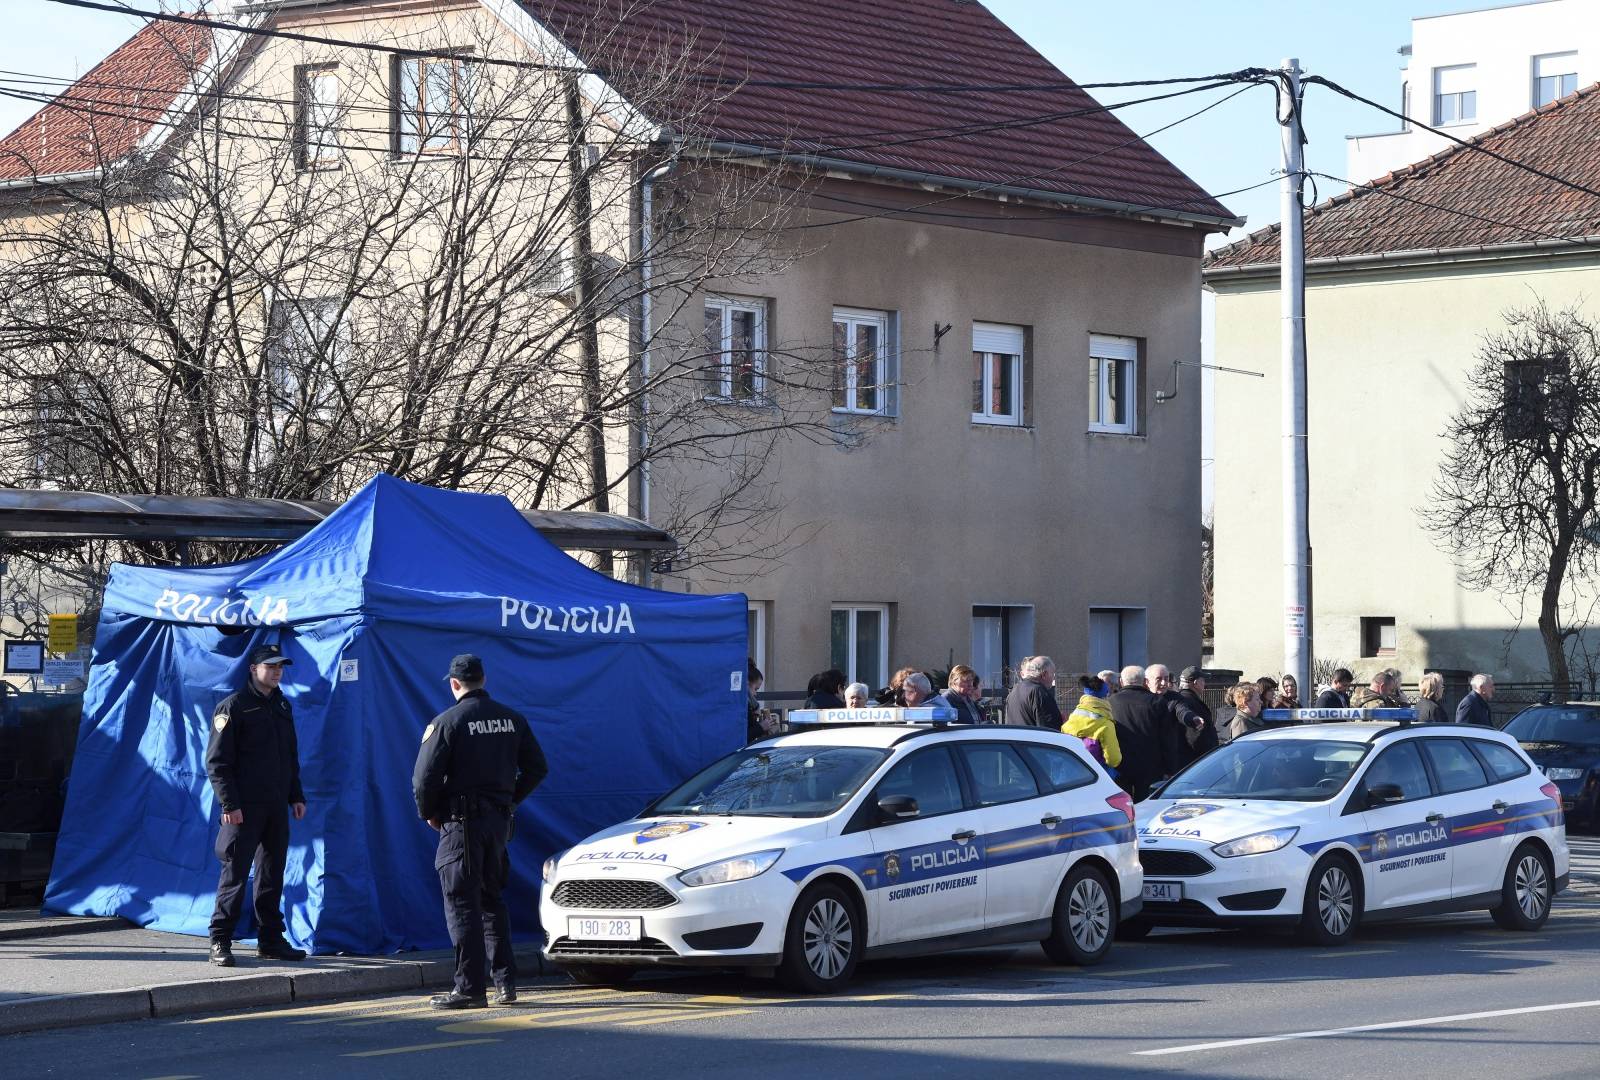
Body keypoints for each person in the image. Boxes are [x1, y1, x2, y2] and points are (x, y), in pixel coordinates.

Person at [413, 654, 549, 1010]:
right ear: (483, 679)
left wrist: (430, 813)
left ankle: (469, 989)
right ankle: (506, 984)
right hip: (497, 825)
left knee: (462, 904)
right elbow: (537, 768)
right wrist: (509, 801)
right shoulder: (512, 719)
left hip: (462, 825)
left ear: (454, 684)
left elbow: (423, 779)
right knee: (491, 901)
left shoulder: (448, 721)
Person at [205, 643, 308, 968]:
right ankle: (220, 940)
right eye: (270, 666)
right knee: (234, 874)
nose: (277, 672)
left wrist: (296, 795)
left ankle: (271, 940)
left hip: (275, 805)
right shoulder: (233, 707)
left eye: (280, 667)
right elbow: (217, 763)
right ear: (253, 669)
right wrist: (230, 803)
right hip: (243, 808)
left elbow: (289, 756)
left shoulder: (282, 705)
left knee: (271, 875)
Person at [1062, 674, 1121, 770]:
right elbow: (1113, 760)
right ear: (1105, 696)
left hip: (1070, 771)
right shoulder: (1106, 724)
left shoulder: (1073, 717)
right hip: (1095, 773)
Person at [1005, 655, 1064, 728]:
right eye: (1052, 674)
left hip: (1016, 738)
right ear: (1044, 674)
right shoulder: (1039, 692)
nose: (1053, 678)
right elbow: (1050, 729)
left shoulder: (1014, 691)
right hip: (1034, 739)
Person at [1177, 666, 1218, 761]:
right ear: (1195, 683)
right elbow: (1195, 738)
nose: (1205, 683)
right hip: (1198, 761)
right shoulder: (1188, 701)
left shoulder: (1184, 699)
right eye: (1203, 680)